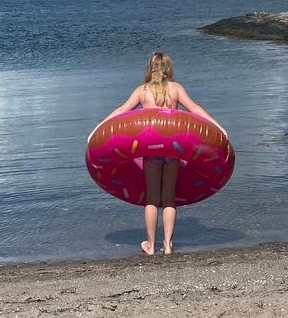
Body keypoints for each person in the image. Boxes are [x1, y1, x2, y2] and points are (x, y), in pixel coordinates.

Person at [95, 51, 226, 257]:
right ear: (168, 67)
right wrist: (218, 126)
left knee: (152, 200)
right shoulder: (175, 88)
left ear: (150, 67)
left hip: (151, 155)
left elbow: (121, 111)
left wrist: (99, 127)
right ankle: (167, 245)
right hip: (173, 153)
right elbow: (194, 108)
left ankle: (150, 244)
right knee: (168, 200)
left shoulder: (142, 91)